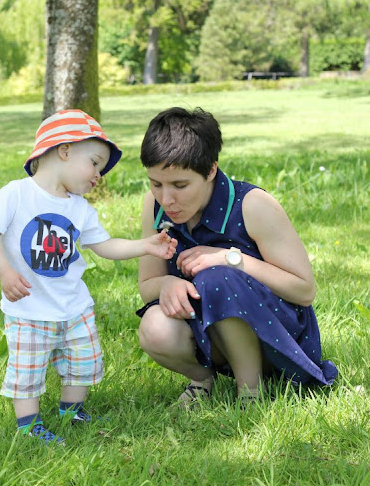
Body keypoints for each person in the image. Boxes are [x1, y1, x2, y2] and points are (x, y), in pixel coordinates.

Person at [0, 109, 177, 445]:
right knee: (28, 370)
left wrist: (147, 246)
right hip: (29, 309)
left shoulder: (80, 208)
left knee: (82, 363)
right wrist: (4, 272)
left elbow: (105, 246)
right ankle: (28, 426)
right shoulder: (16, 194)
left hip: (74, 307)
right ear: (65, 150)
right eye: (95, 162)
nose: (99, 174)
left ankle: (72, 411)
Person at [136, 107, 338, 406]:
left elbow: (304, 290)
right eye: (156, 184)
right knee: (154, 327)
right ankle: (202, 380)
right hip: (212, 332)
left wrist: (231, 258)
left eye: (180, 185)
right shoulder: (155, 205)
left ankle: (251, 392)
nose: (167, 199)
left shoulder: (253, 205)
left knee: (216, 277)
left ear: (211, 171)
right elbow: (147, 283)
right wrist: (167, 284)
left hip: (275, 338)